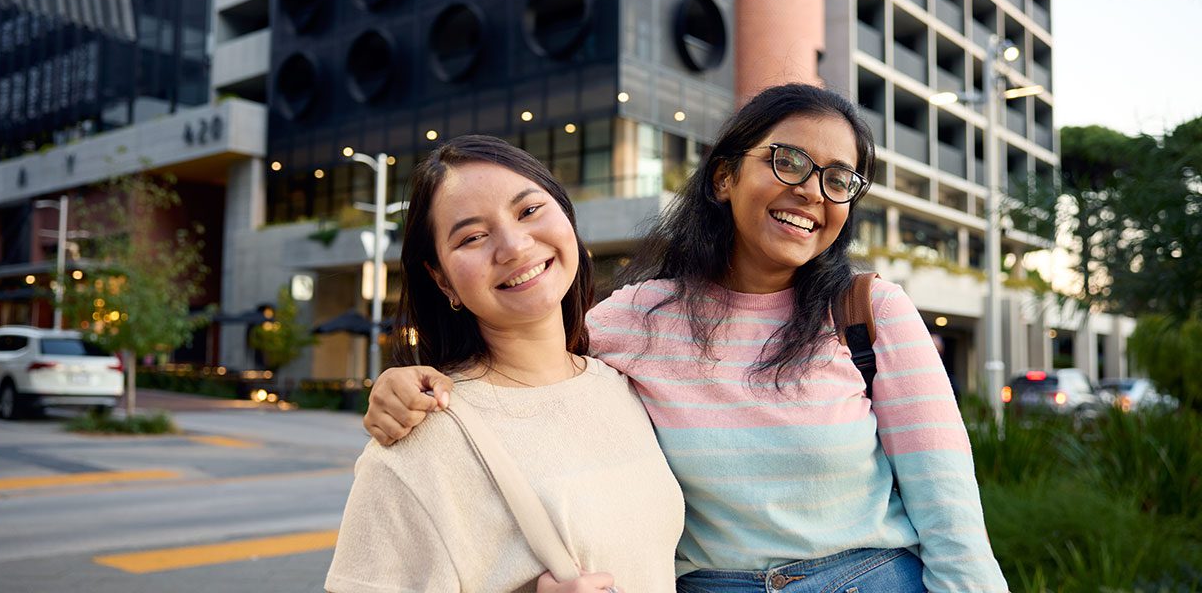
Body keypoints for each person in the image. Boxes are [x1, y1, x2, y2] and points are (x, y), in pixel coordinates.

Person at [363, 84, 1010, 592]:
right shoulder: (636, 319)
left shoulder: (869, 311)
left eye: (838, 178)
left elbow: (951, 513)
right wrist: (409, 380)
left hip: (868, 582)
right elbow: (530, 363)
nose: (811, 191)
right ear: (724, 177)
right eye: (789, 161)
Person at [324, 135, 684, 593]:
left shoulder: (628, 384)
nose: (513, 246)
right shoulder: (421, 437)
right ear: (442, 279)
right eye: (473, 237)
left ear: (565, 217)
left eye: (529, 211)